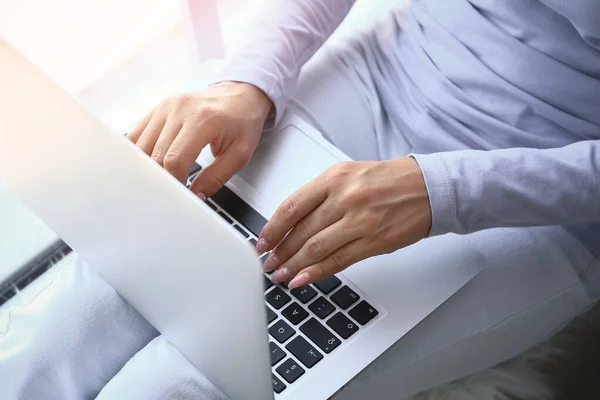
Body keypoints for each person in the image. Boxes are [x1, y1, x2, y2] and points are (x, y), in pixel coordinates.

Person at [3, 1, 599, 399]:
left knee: (182, 386)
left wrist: (444, 192)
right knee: (81, 313)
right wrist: (246, 84)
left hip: (539, 198)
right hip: (380, 73)